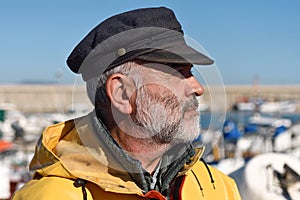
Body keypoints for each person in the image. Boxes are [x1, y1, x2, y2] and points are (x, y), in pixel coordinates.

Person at [12, 7, 241, 200]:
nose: (198, 88)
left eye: (191, 72)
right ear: (121, 94)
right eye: (176, 73)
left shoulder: (216, 187)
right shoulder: (50, 196)